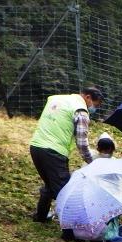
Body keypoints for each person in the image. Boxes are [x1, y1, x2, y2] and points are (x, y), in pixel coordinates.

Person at [29, 85, 103, 226]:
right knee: (65, 192)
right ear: (87, 97)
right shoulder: (81, 111)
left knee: (50, 184)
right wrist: (92, 162)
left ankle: (41, 216)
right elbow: (82, 143)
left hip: (36, 146)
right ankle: (71, 230)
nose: (93, 108)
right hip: (54, 151)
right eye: (94, 104)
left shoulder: (58, 99)